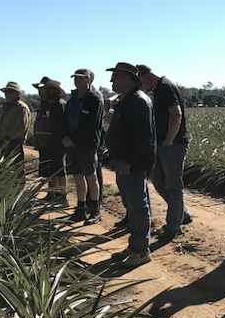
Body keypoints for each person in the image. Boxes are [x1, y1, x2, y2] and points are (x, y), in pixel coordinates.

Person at [105, 62, 156, 268]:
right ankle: (134, 245)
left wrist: (129, 160)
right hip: (123, 159)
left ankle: (141, 250)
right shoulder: (127, 100)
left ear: (128, 78)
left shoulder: (138, 101)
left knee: (138, 206)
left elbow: (143, 136)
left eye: (115, 76)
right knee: (131, 206)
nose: (111, 80)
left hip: (132, 162)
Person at [137, 64, 192, 241]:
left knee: (174, 187)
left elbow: (176, 114)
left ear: (145, 77)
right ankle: (181, 213)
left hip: (173, 145)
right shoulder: (159, 88)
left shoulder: (166, 87)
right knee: (159, 181)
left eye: (140, 82)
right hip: (163, 144)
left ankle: (173, 227)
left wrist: (169, 139)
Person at [63, 68, 104, 224]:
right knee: (77, 176)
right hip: (71, 144)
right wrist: (65, 137)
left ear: (89, 80)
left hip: (87, 144)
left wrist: (73, 139)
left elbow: (91, 124)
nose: (77, 81)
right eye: (76, 78)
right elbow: (65, 121)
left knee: (90, 176)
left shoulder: (94, 98)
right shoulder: (73, 100)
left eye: (81, 78)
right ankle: (80, 209)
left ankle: (95, 210)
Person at [32, 77, 67, 203]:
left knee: (58, 170)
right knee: (49, 169)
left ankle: (61, 196)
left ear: (53, 90)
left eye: (45, 89)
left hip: (55, 144)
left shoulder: (59, 105)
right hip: (44, 144)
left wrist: (57, 142)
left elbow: (60, 126)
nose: (41, 92)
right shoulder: (45, 105)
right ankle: (52, 194)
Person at [0, 81, 31, 185]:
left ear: (17, 94)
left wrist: (8, 138)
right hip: (3, 142)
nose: (7, 94)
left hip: (14, 143)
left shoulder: (21, 108)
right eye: (6, 92)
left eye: (10, 92)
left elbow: (20, 126)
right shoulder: (4, 107)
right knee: (4, 169)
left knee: (17, 170)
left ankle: (19, 193)